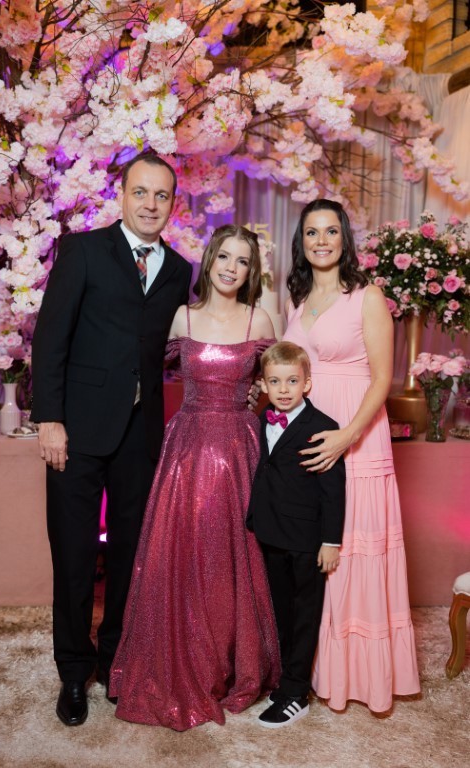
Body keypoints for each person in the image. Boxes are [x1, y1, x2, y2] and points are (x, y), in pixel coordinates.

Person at [31, 152, 193, 726]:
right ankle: (74, 672)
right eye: (140, 193)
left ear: (173, 204)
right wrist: (49, 420)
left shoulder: (180, 270)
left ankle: (115, 661)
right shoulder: (82, 251)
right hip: (75, 429)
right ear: (121, 196)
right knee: (74, 555)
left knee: (129, 556)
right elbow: (50, 339)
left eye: (161, 195)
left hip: (140, 433)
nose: (150, 204)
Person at [109, 225, 281, 731]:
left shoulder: (259, 318)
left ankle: (232, 661)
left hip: (240, 449)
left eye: (242, 261)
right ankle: (182, 657)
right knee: (182, 555)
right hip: (186, 450)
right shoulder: (181, 317)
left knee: (234, 557)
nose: (231, 267)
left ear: (251, 271)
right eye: (224, 257)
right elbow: (142, 367)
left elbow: (278, 382)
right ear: (209, 261)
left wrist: (257, 399)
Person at [282, 198, 420, 714]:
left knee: (352, 546)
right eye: (312, 232)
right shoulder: (295, 299)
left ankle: (360, 675)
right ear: (301, 242)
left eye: (331, 231)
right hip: (309, 436)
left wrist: (346, 436)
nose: (321, 241)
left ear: (345, 239)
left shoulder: (368, 296)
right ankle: (315, 668)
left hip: (356, 435)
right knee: (315, 548)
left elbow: (383, 380)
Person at [246, 341, 345, 728]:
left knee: (305, 616)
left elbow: (333, 491)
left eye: (292, 381)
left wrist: (330, 542)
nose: (283, 389)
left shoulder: (323, 427)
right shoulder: (262, 419)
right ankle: (285, 681)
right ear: (264, 385)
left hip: (306, 541)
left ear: (307, 383)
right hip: (271, 534)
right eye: (275, 381)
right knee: (282, 613)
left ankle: (296, 694)